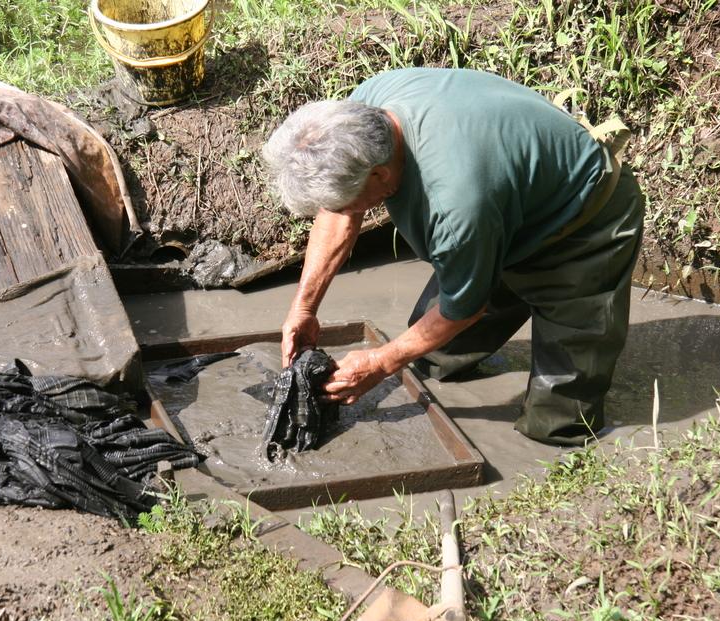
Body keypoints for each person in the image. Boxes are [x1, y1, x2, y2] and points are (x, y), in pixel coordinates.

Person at [261, 68, 645, 446]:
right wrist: (304, 308)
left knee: (556, 422)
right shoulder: (361, 113)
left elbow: (462, 310)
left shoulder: (453, 206)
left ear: (378, 174)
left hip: (583, 226)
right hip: (505, 208)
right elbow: (339, 211)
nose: (345, 208)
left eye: (348, 199)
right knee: (434, 361)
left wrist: (380, 362)